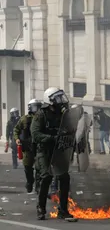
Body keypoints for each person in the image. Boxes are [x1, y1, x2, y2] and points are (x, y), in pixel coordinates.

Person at [31, 87, 74, 220]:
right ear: (49, 101)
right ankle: (41, 208)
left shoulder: (63, 114)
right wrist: (51, 138)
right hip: (44, 150)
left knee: (64, 177)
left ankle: (63, 209)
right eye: (57, 99)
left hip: (58, 149)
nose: (61, 101)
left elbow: (70, 128)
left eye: (61, 98)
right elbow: (35, 134)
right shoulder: (41, 115)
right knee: (46, 177)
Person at [13, 99, 42, 193]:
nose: (37, 109)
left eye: (38, 106)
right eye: (35, 106)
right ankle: (30, 182)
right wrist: (17, 139)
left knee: (39, 168)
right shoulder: (24, 119)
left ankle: (38, 186)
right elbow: (16, 129)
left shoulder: (42, 118)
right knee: (28, 168)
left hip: (39, 147)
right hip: (28, 148)